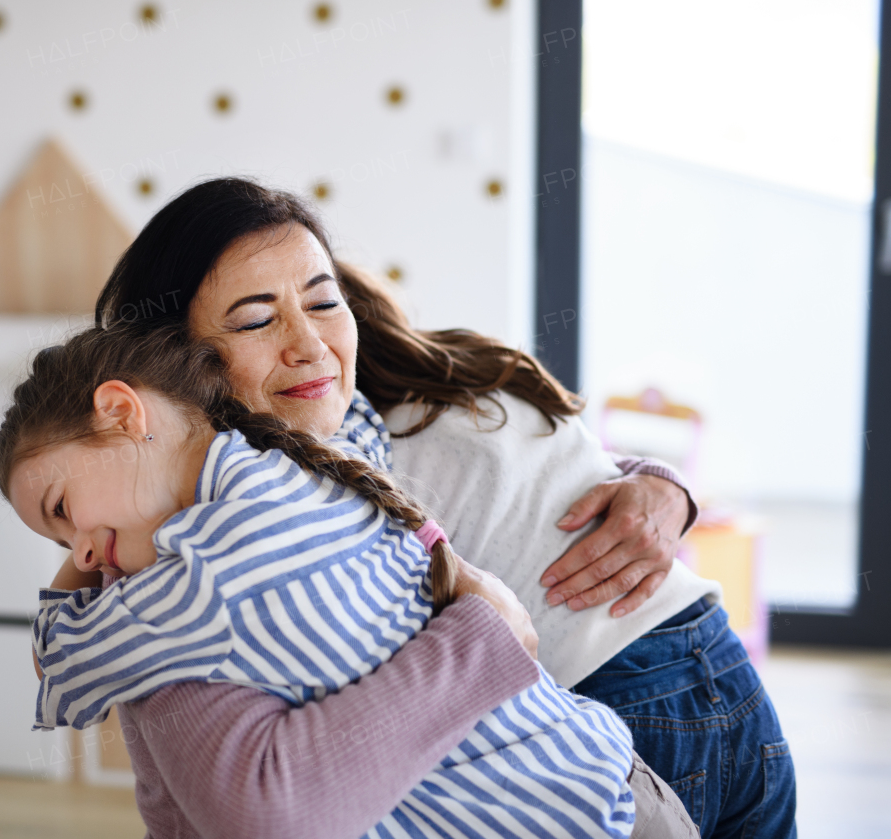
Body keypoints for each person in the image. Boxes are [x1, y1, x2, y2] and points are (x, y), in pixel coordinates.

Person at [74, 177, 795, 839]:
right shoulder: (380, 412)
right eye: (257, 319)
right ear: (172, 357)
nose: (310, 343)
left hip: (638, 692)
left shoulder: (371, 419)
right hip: (718, 681)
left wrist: (664, 487)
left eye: (324, 302)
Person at [0, 323, 697, 838]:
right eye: (60, 542)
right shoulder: (296, 457)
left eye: (63, 513)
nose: (83, 556)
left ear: (121, 411)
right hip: (607, 778)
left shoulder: (198, 577)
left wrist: (71, 583)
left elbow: (59, 655)